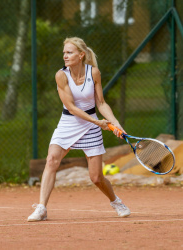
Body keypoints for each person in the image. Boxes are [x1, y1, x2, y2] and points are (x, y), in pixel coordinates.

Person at [27, 37, 130, 222]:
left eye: (70, 52)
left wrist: (116, 124)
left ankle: (115, 201)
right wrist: (98, 122)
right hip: (69, 123)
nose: (65, 56)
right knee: (51, 160)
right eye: (64, 52)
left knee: (96, 177)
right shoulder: (61, 75)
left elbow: (101, 103)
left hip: (91, 127)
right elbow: (72, 108)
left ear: (81, 55)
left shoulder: (94, 73)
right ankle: (42, 208)